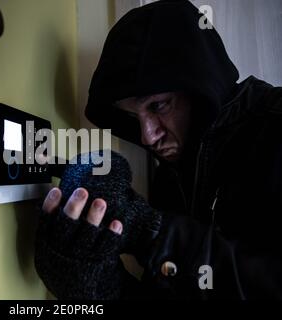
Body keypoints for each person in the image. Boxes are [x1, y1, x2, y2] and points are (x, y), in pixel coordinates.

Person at [34, 0, 282, 299]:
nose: (147, 136)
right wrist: (98, 288)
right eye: (131, 117)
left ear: (200, 87)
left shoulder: (275, 126)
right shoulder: (172, 176)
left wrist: (151, 232)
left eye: (159, 105)